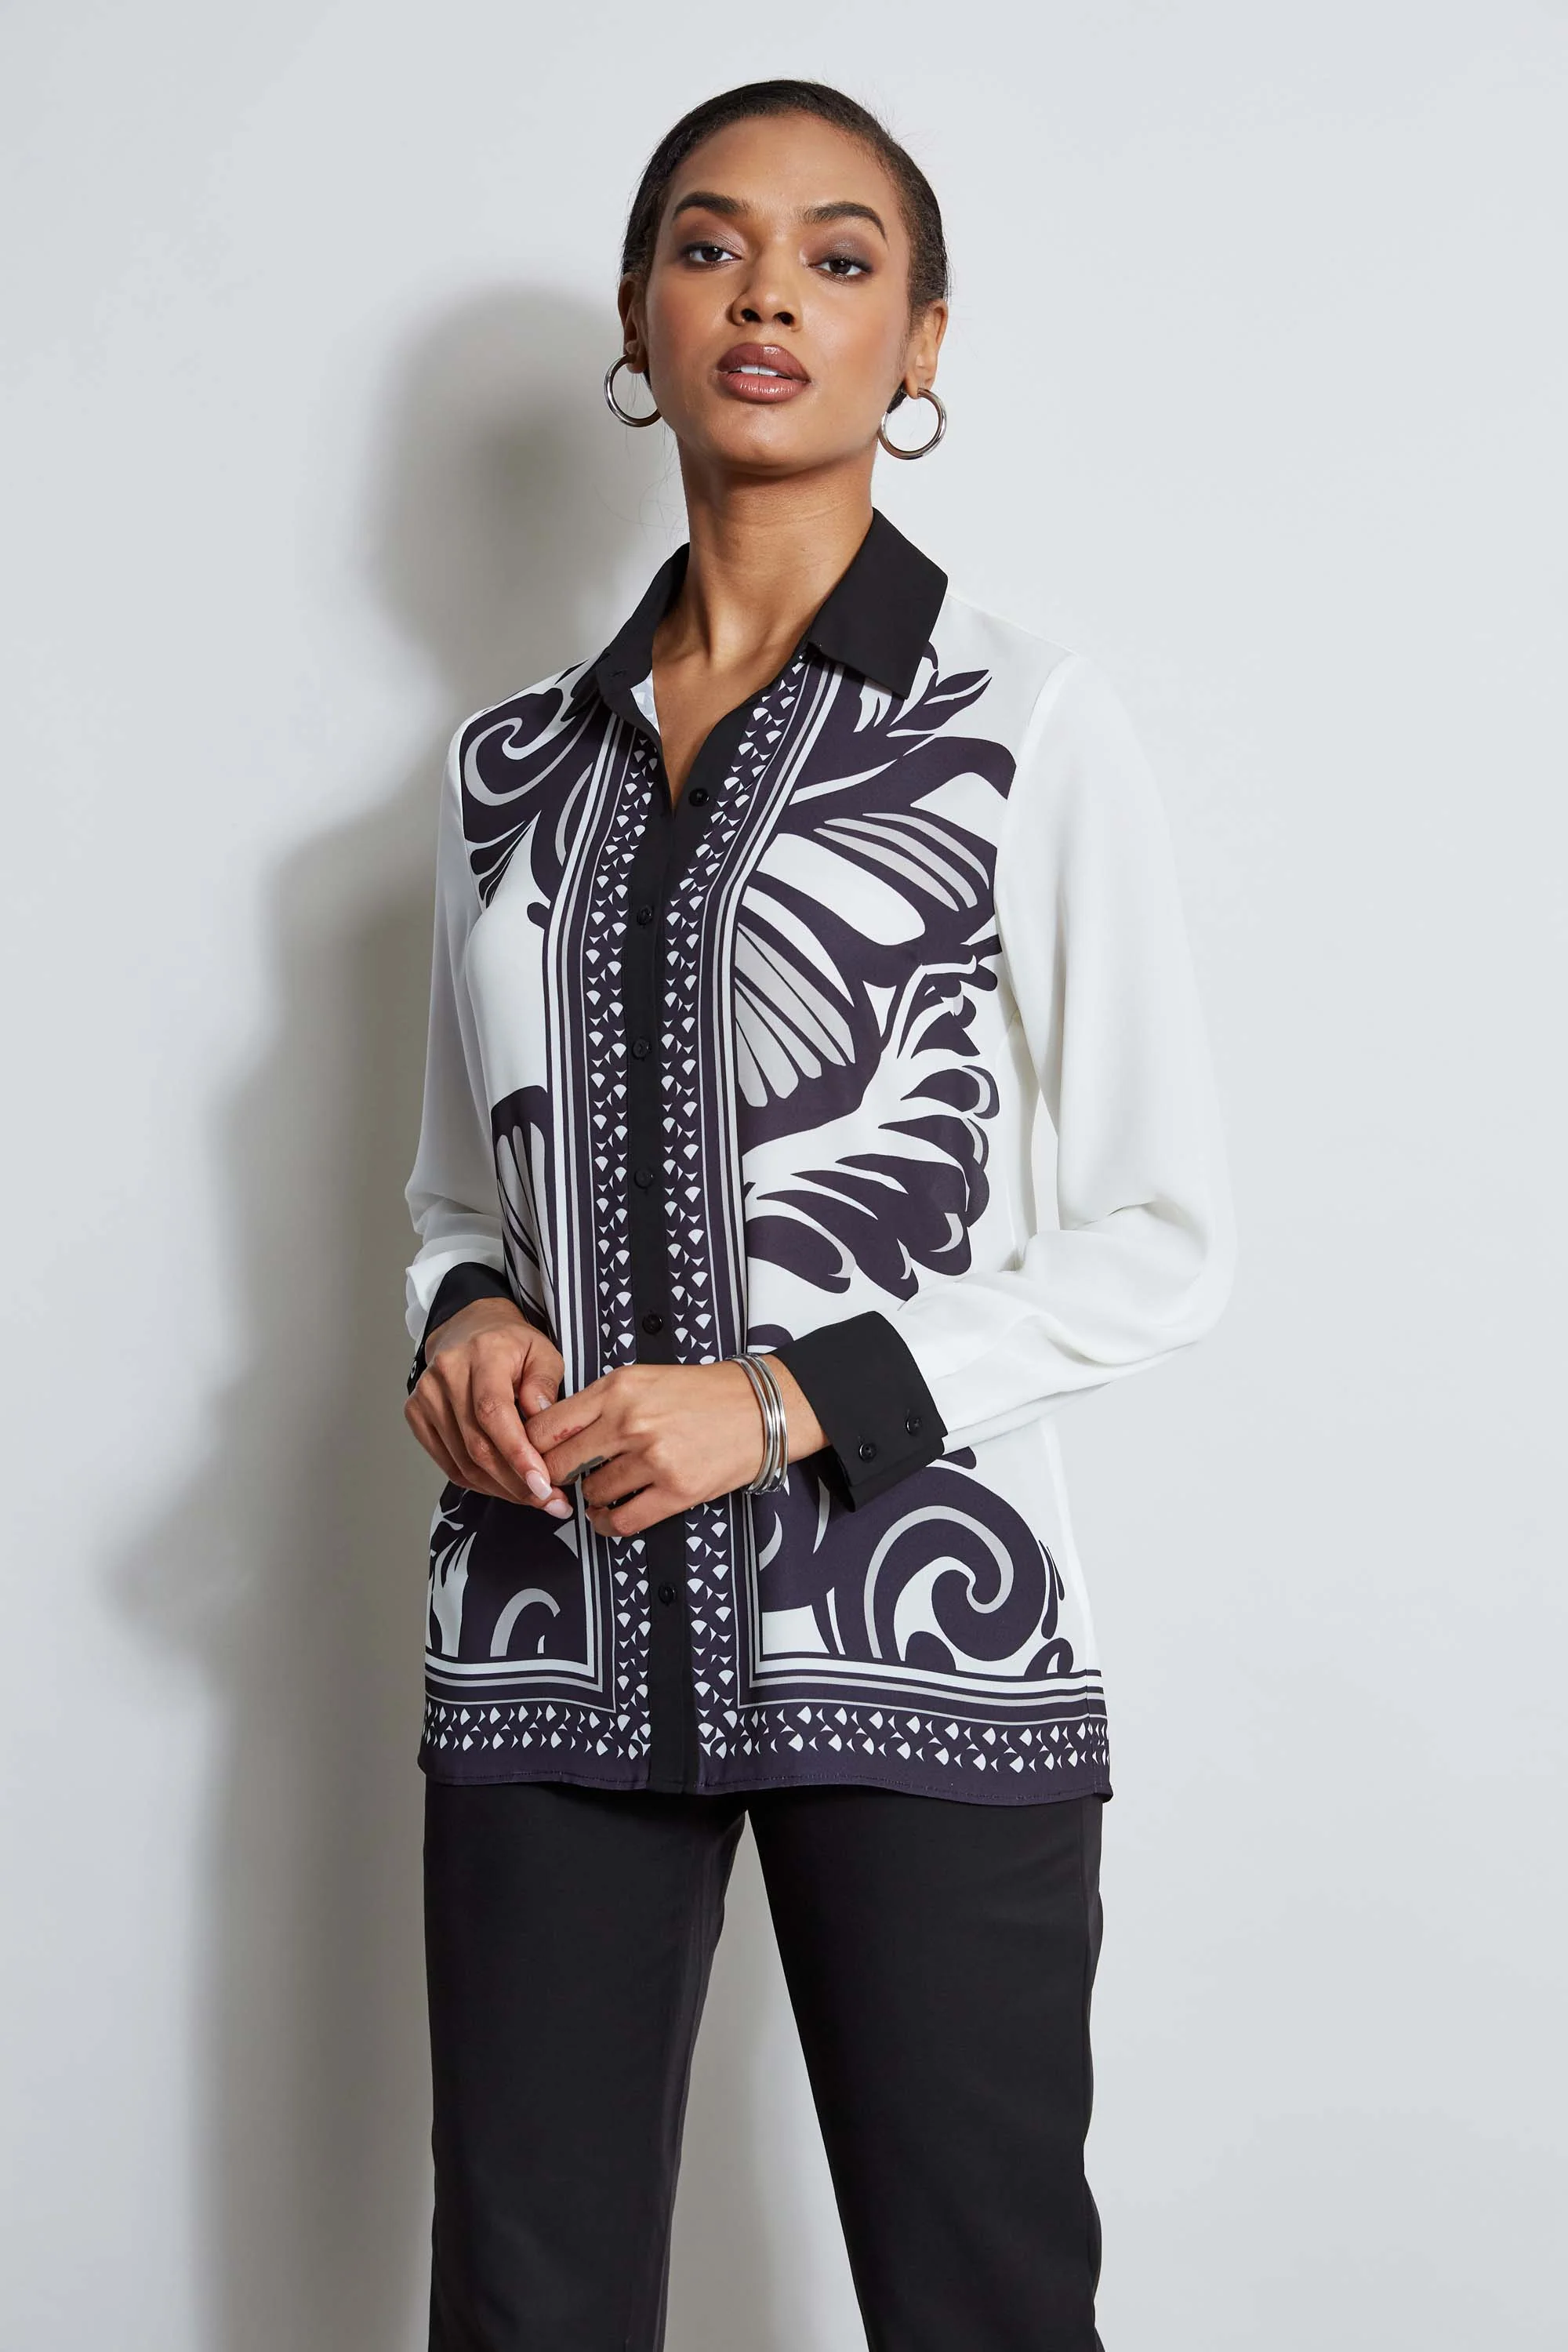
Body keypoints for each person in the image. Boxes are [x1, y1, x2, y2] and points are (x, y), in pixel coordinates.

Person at [401, 77, 1236, 2352]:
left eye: (841, 258)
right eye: (711, 245)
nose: (769, 292)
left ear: (920, 340)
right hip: (547, 1622)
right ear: (640, 319)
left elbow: (1161, 1234)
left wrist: (775, 1404)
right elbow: (457, 1184)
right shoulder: (505, 772)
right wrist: (461, 1320)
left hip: (917, 1627)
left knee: (981, 2299)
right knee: (526, 2305)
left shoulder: (1022, 720)